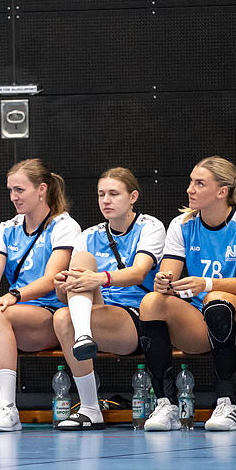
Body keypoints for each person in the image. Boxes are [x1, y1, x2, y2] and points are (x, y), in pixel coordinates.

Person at [0, 159, 79, 432]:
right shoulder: (6, 228)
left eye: (20, 190)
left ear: (42, 189)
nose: (14, 197)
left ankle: (7, 407)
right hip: (10, 316)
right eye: (11, 190)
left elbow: (50, 279)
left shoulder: (64, 226)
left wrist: (14, 295)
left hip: (49, 316)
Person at [140, 156, 236, 431]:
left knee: (216, 298)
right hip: (202, 323)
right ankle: (166, 405)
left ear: (222, 191)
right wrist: (163, 282)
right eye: (190, 182)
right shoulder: (182, 224)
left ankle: (228, 403)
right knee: (151, 302)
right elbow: (168, 274)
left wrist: (206, 284)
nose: (190, 189)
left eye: (199, 183)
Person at [52, 167, 164, 430]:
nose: (106, 200)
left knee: (65, 315)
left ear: (133, 196)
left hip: (135, 314)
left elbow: (138, 274)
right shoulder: (88, 235)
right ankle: (90, 408)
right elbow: (64, 296)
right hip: (95, 311)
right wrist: (63, 286)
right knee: (63, 309)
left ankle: (82, 335)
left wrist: (99, 278)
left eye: (114, 194)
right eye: (101, 194)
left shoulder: (150, 226)